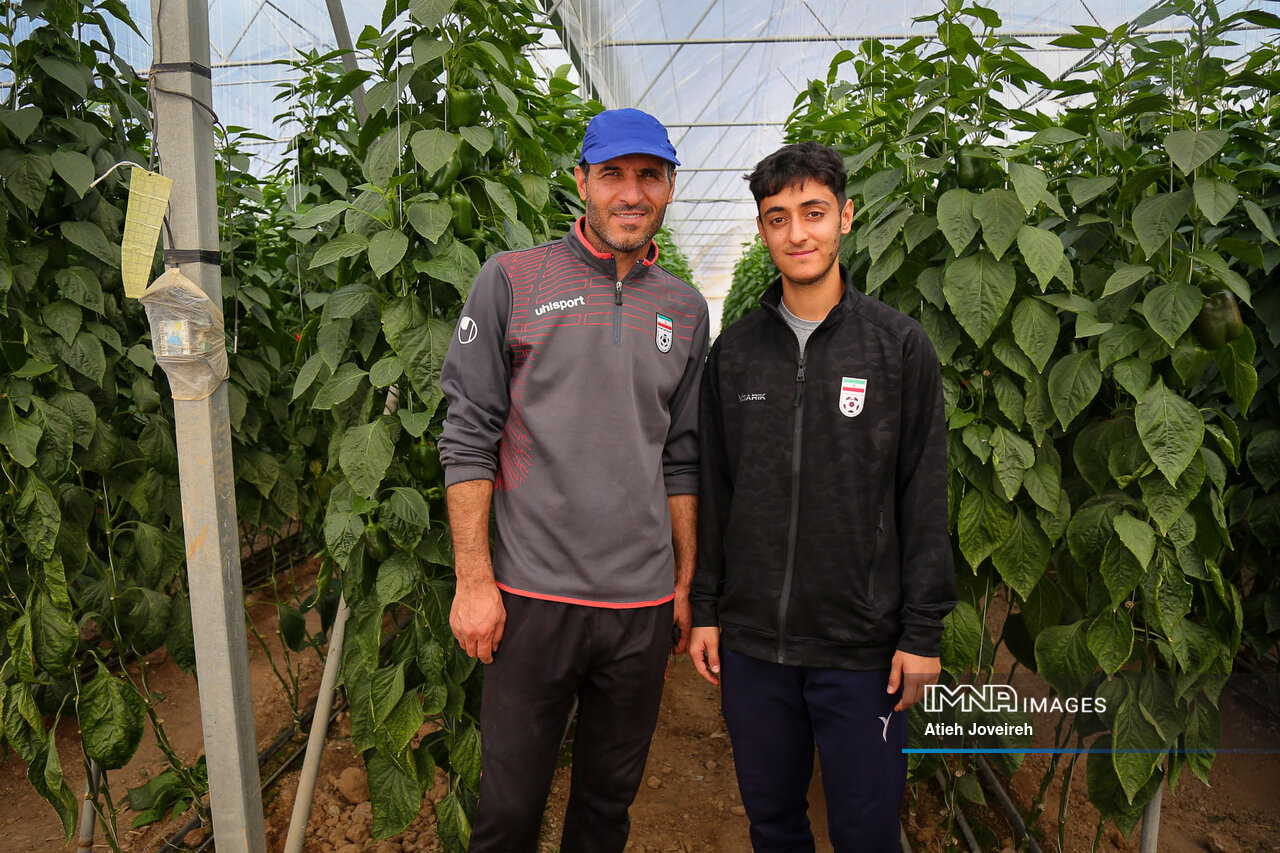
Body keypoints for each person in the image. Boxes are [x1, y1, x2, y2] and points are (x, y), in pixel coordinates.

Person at [437, 108, 710, 853]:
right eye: (614, 174)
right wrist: (473, 580)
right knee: (509, 811)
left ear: (669, 187)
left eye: (649, 175)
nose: (632, 192)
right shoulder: (513, 279)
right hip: (531, 599)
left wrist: (685, 582)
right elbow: (468, 436)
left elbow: (681, 453)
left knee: (605, 809)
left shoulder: (685, 308)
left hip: (640, 606)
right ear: (582, 180)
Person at [688, 141, 956, 852]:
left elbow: (924, 492)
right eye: (779, 218)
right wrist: (708, 612)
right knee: (774, 821)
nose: (797, 233)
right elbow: (716, 491)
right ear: (762, 231)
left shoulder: (898, 348)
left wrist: (921, 632)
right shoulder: (735, 353)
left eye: (813, 212)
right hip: (754, 646)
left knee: (867, 829)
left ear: (846, 216)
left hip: (860, 647)